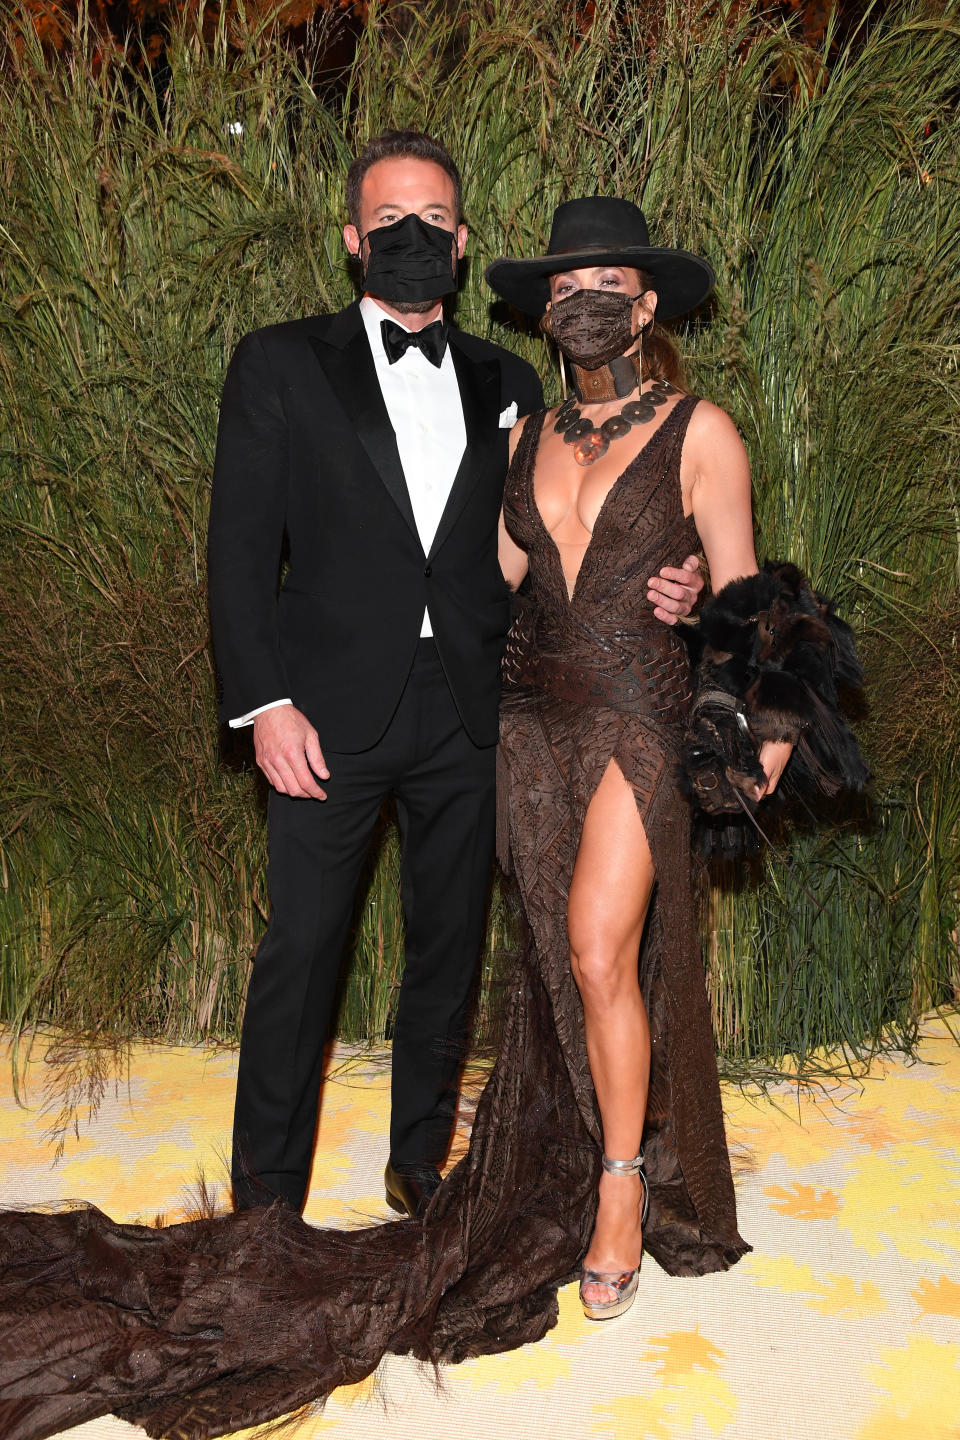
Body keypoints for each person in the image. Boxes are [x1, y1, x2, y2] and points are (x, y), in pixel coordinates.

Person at [0, 192, 865, 1440]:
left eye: (610, 281)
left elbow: (743, 588)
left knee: (591, 945)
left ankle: (622, 1187)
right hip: (525, 726)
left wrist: (758, 710)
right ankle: (427, 1175)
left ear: (651, 303)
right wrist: (295, 679)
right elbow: (473, 580)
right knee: (530, 963)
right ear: (538, 305)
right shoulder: (526, 435)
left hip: (637, 716)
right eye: (565, 285)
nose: (585, 300)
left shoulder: (701, 427)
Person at [208, 132, 703, 1221]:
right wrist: (264, 704)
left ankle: (417, 1163)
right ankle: (266, 1201)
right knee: (301, 953)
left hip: (477, 714)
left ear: (466, 240)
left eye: (434, 221)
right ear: (352, 240)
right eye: (390, 223)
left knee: (448, 948)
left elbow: (573, 533)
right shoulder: (280, 362)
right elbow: (238, 551)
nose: (413, 239)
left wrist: (690, 570)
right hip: (323, 715)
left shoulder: (513, 380)